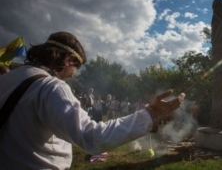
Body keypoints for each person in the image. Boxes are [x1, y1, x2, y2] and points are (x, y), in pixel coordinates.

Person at [0, 32, 185, 169]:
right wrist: (151, 114)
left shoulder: (7, 78)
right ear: (69, 59)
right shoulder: (51, 86)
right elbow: (92, 138)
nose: (71, 77)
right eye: (75, 69)